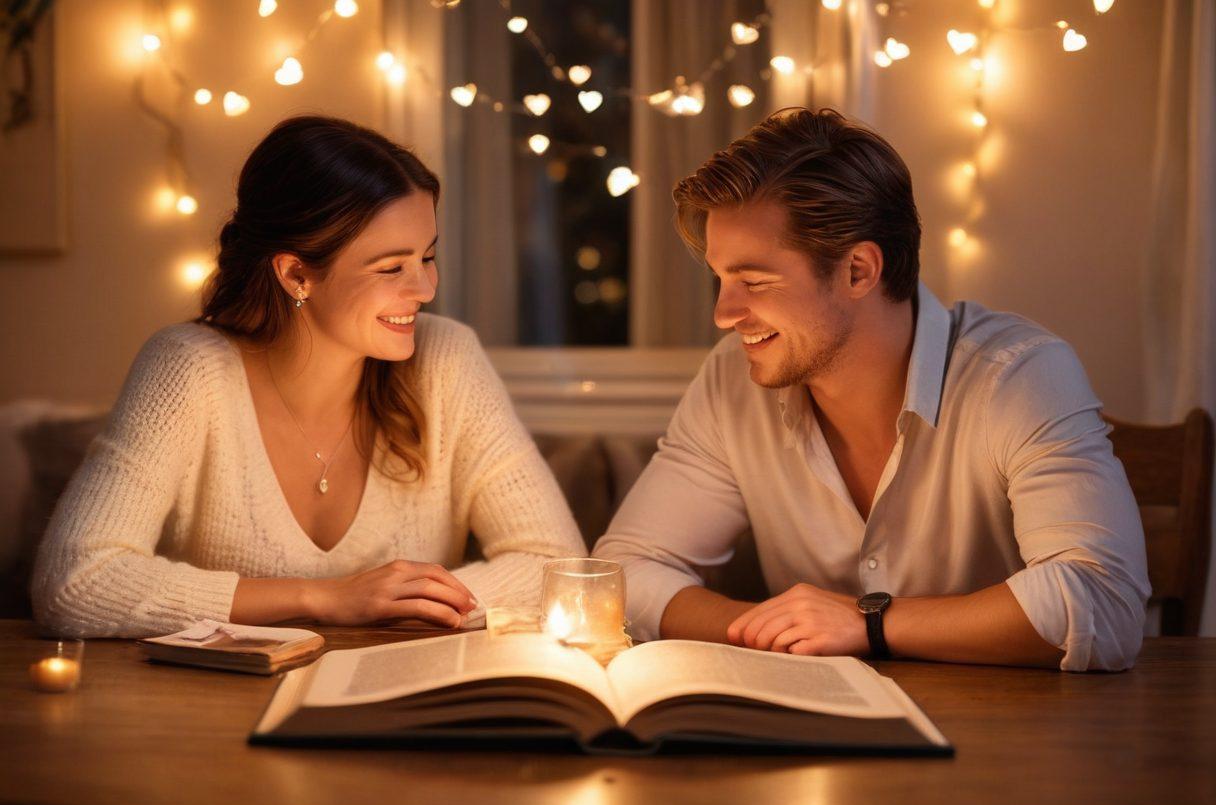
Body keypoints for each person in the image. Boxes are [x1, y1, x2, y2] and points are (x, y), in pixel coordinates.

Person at [594, 108, 1149, 671]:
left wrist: (867, 625)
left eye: (754, 281)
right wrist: (779, 632)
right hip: (817, 725)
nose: (723, 314)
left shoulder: (1018, 376)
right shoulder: (729, 381)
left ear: (858, 270)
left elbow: (1101, 599)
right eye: (721, 280)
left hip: (1014, 736)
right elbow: (626, 571)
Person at [32, 115, 585, 638]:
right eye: (392, 267)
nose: (424, 289)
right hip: (213, 718)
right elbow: (74, 582)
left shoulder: (447, 360)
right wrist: (322, 598)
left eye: (427, 257)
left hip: (395, 706)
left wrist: (400, 604)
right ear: (297, 273)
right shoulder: (188, 368)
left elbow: (560, 568)